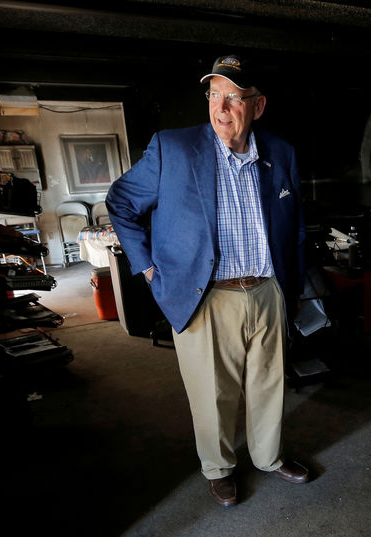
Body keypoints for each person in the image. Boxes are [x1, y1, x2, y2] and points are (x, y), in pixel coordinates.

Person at [106, 53, 308, 507]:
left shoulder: (280, 153)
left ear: (257, 107)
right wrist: (149, 268)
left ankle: (268, 457)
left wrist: (292, 289)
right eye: (214, 95)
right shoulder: (172, 148)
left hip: (267, 289)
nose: (221, 108)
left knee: (269, 384)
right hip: (205, 296)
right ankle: (219, 468)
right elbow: (120, 202)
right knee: (211, 394)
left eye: (233, 99)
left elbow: (294, 227)